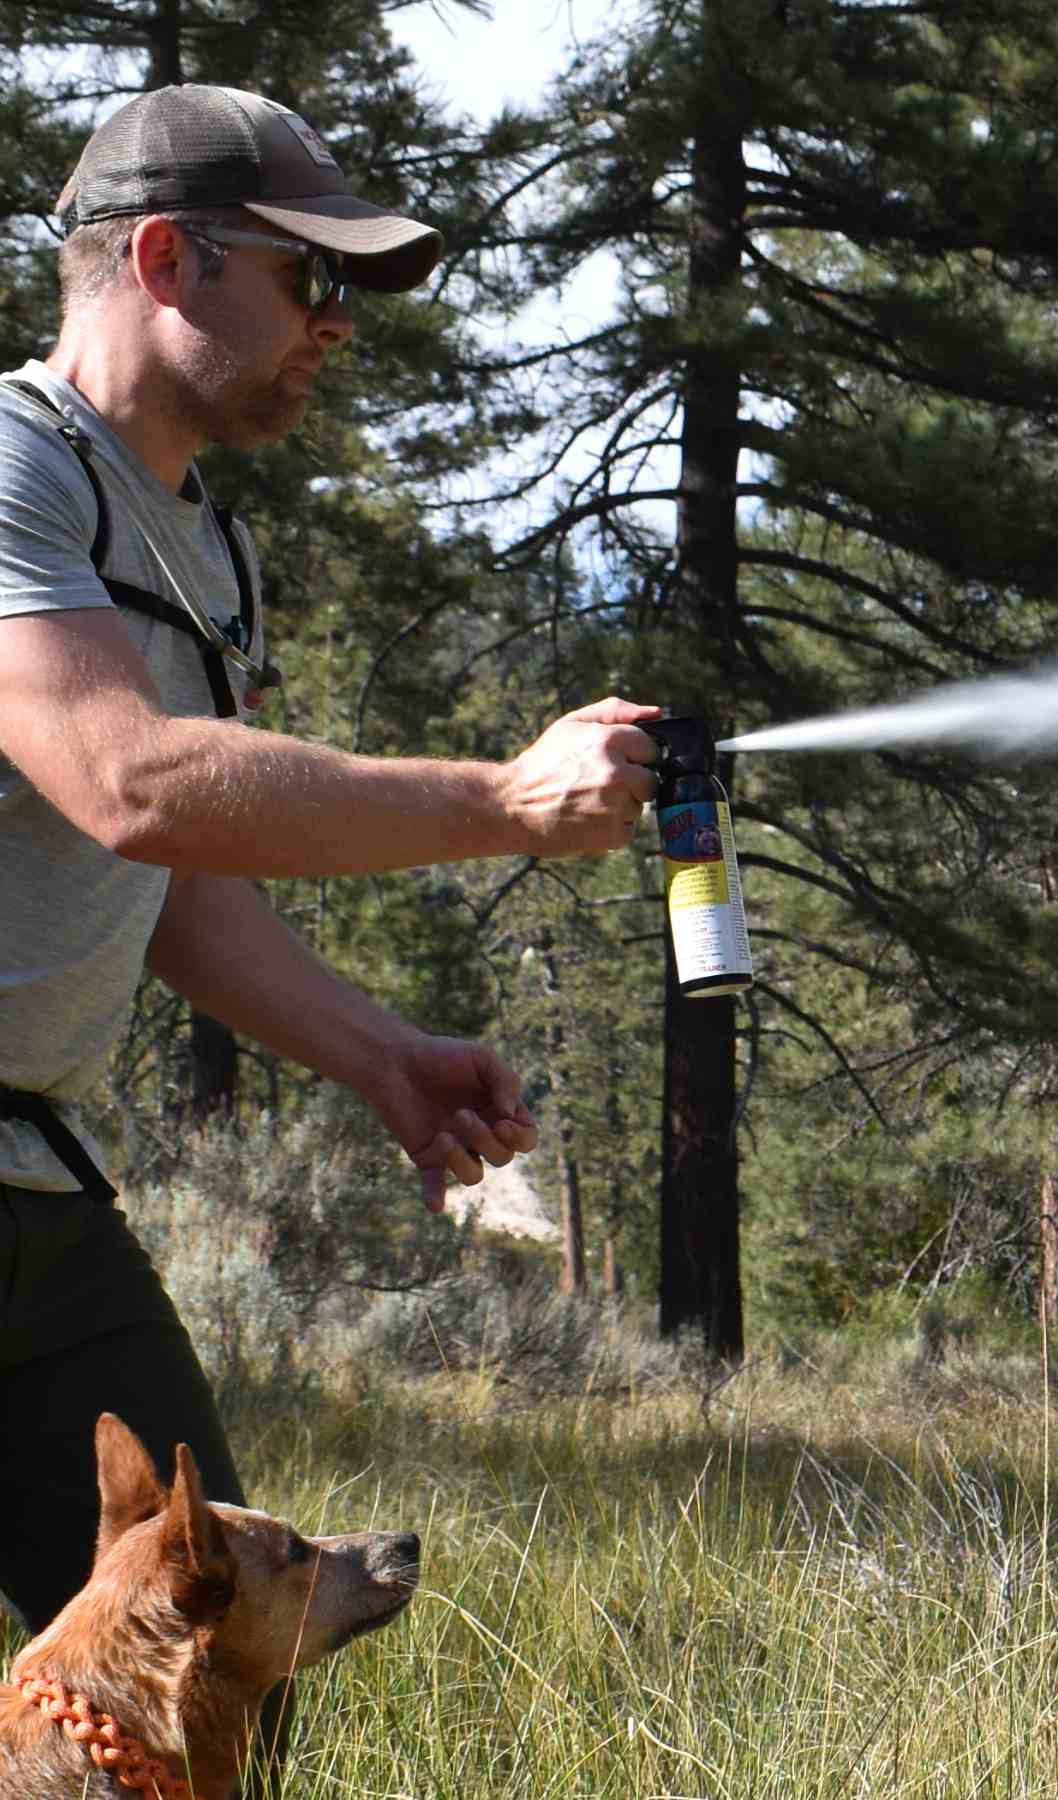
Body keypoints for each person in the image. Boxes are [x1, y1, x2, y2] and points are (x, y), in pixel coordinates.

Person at [0, 82, 659, 1785]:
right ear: (164, 257)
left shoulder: (211, 553)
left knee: (233, 1674)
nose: (337, 329)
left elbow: (180, 891)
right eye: (311, 281)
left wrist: (384, 1058)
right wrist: (507, 799)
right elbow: (130, 781)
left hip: (40, 1196)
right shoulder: (8, 468)